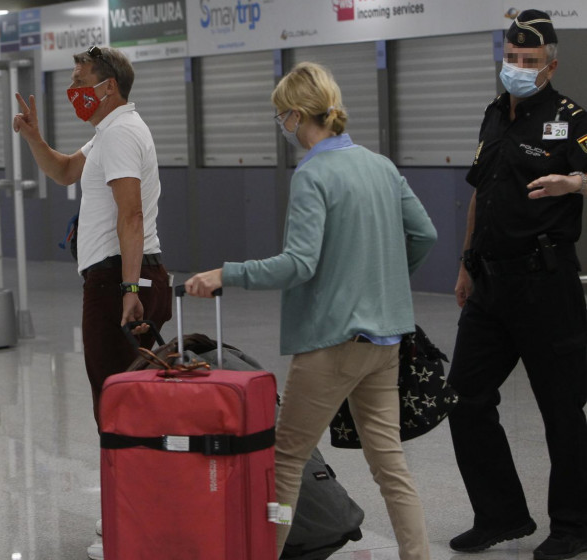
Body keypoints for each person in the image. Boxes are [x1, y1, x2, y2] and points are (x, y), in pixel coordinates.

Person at [185, 61, 437, 560]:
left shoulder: (313, 174)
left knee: (285, 461)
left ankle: (268, 552)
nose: (284, 127)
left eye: (283, 117)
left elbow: (297, 264)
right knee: (390, 466)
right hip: (385, 344)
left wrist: (225, 273)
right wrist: (381, 283)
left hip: (331, 346)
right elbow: (425, 234)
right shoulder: (381, 166)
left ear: (299, 115)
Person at [12, 45, 172, 560]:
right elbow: (63, 172)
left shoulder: (122, 133)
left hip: (119, 284)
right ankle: (143, 513)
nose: (74, 89)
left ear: (108, 87)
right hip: (119, 280)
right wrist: (33, 137)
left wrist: (129, 290)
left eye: (81, 79)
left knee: (118, 407)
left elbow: (131, 216)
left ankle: (130, 524)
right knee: (131, 403)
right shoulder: (110, 133)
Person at [449, 10, 587, 560]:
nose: (517, 68)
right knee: (463, 397)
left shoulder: (569, 116)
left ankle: (573, 526)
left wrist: (572, 180)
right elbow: (481, 195)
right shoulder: (493, 116)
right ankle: (500, 515)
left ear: (550, 65)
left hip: (546, 286)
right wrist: (465, 264)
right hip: (490, 284)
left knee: (561, 409)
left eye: (529, 62)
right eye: (511, 58)